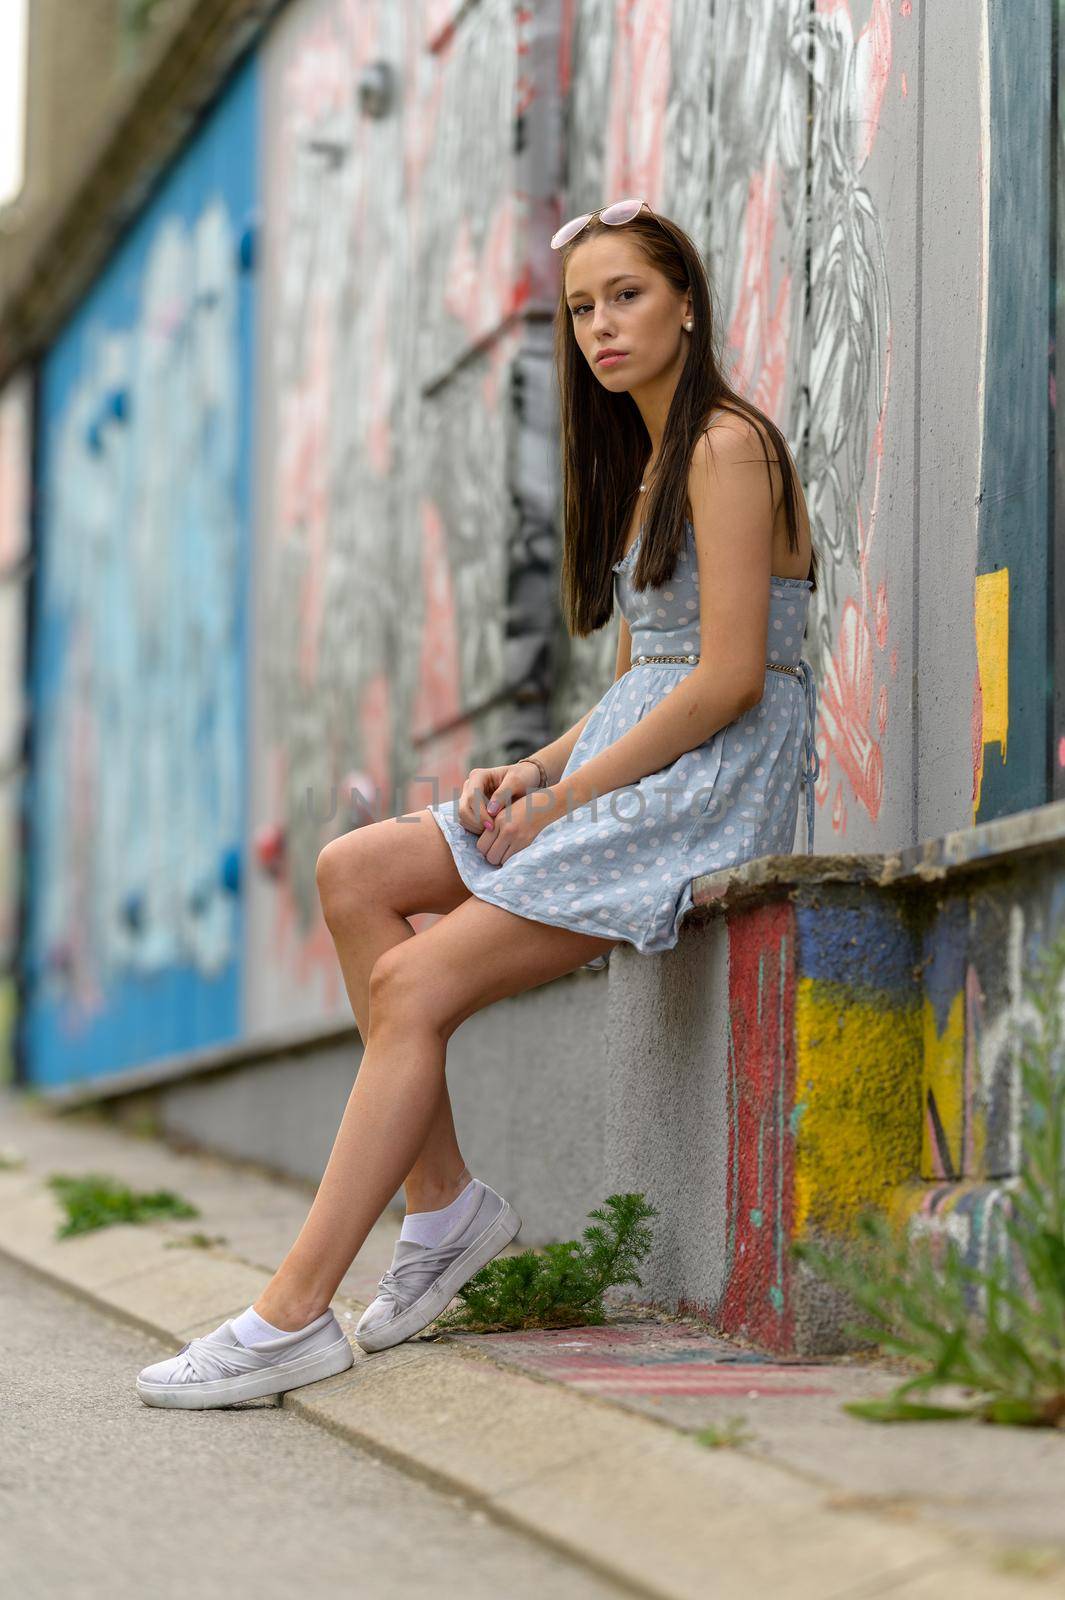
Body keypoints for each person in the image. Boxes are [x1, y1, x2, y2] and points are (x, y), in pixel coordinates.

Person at [136, 198, 820, 1410]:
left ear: (687, 305)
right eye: (581, 310)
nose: (602, 328)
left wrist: (573, 804)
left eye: (627, 297)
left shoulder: (726, 445)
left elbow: (725, 680)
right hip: (636, 764)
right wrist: (538, 771)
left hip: (708, 785)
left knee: (413, 982)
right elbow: (640, 680)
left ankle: (291, 1311)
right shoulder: (654, 459)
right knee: (355, 871)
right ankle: (445, 1207)